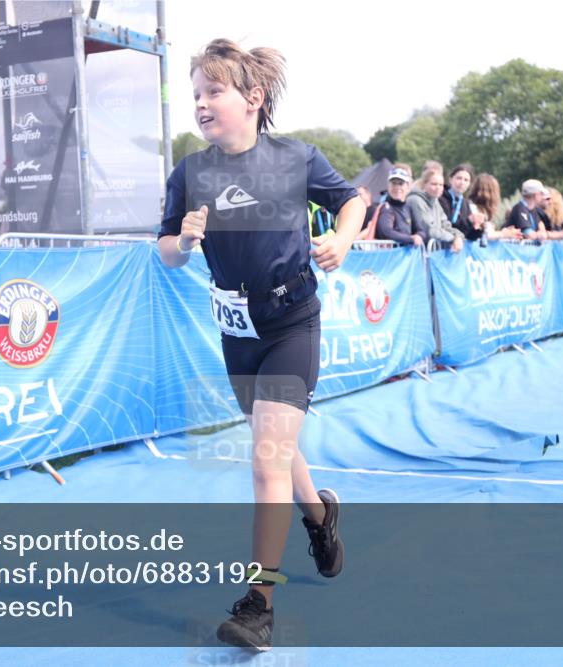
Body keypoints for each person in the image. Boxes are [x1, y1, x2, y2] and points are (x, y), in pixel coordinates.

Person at [157, 39, 360, 651]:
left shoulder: (296, 158)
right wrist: (184, 241)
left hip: (292, 323)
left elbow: (353, 200)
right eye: (194, 94)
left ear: (253, 98)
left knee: (266, 459)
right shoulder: (190, 174)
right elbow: (164, 252)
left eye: (212, 91)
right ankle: (321, 519)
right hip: (237, 335)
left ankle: (259, 605)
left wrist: (343, 240)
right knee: (278, 449)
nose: (200, 103)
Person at [406, 166, 463, 252]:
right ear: (424, 184)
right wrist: (453, 238)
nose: (438, 188)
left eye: (441, 185)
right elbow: (429, 230)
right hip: (416, 252)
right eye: (434, 184)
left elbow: (445, 225)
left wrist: (458, 236)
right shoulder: (415, 200)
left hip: (432, 252)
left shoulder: (435, 200)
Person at [374, 164, 424, 247]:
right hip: (389, 257)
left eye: (401, 183)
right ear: (388, 186)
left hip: (406, 257)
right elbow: (386, 232)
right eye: (393, 183)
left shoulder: (409, 207)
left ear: (408, 186)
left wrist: (419, 236)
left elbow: (421, 230)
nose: (397, 187)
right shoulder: (386, 208)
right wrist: (411, 239)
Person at [468, 173, 522, 241]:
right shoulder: (472, 208)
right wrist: (505, 234)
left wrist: (504, 232)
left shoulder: (483, 211)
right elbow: (486, 235)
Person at [439, 163, 485, 241]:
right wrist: (468, 221)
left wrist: (478, 228)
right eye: (459, 178)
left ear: (469, 184)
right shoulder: (441, 198)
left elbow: (467, 234)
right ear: (450, 179)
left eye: (466, 180)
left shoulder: (466, 204)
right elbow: (448, 226)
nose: (462, 183)